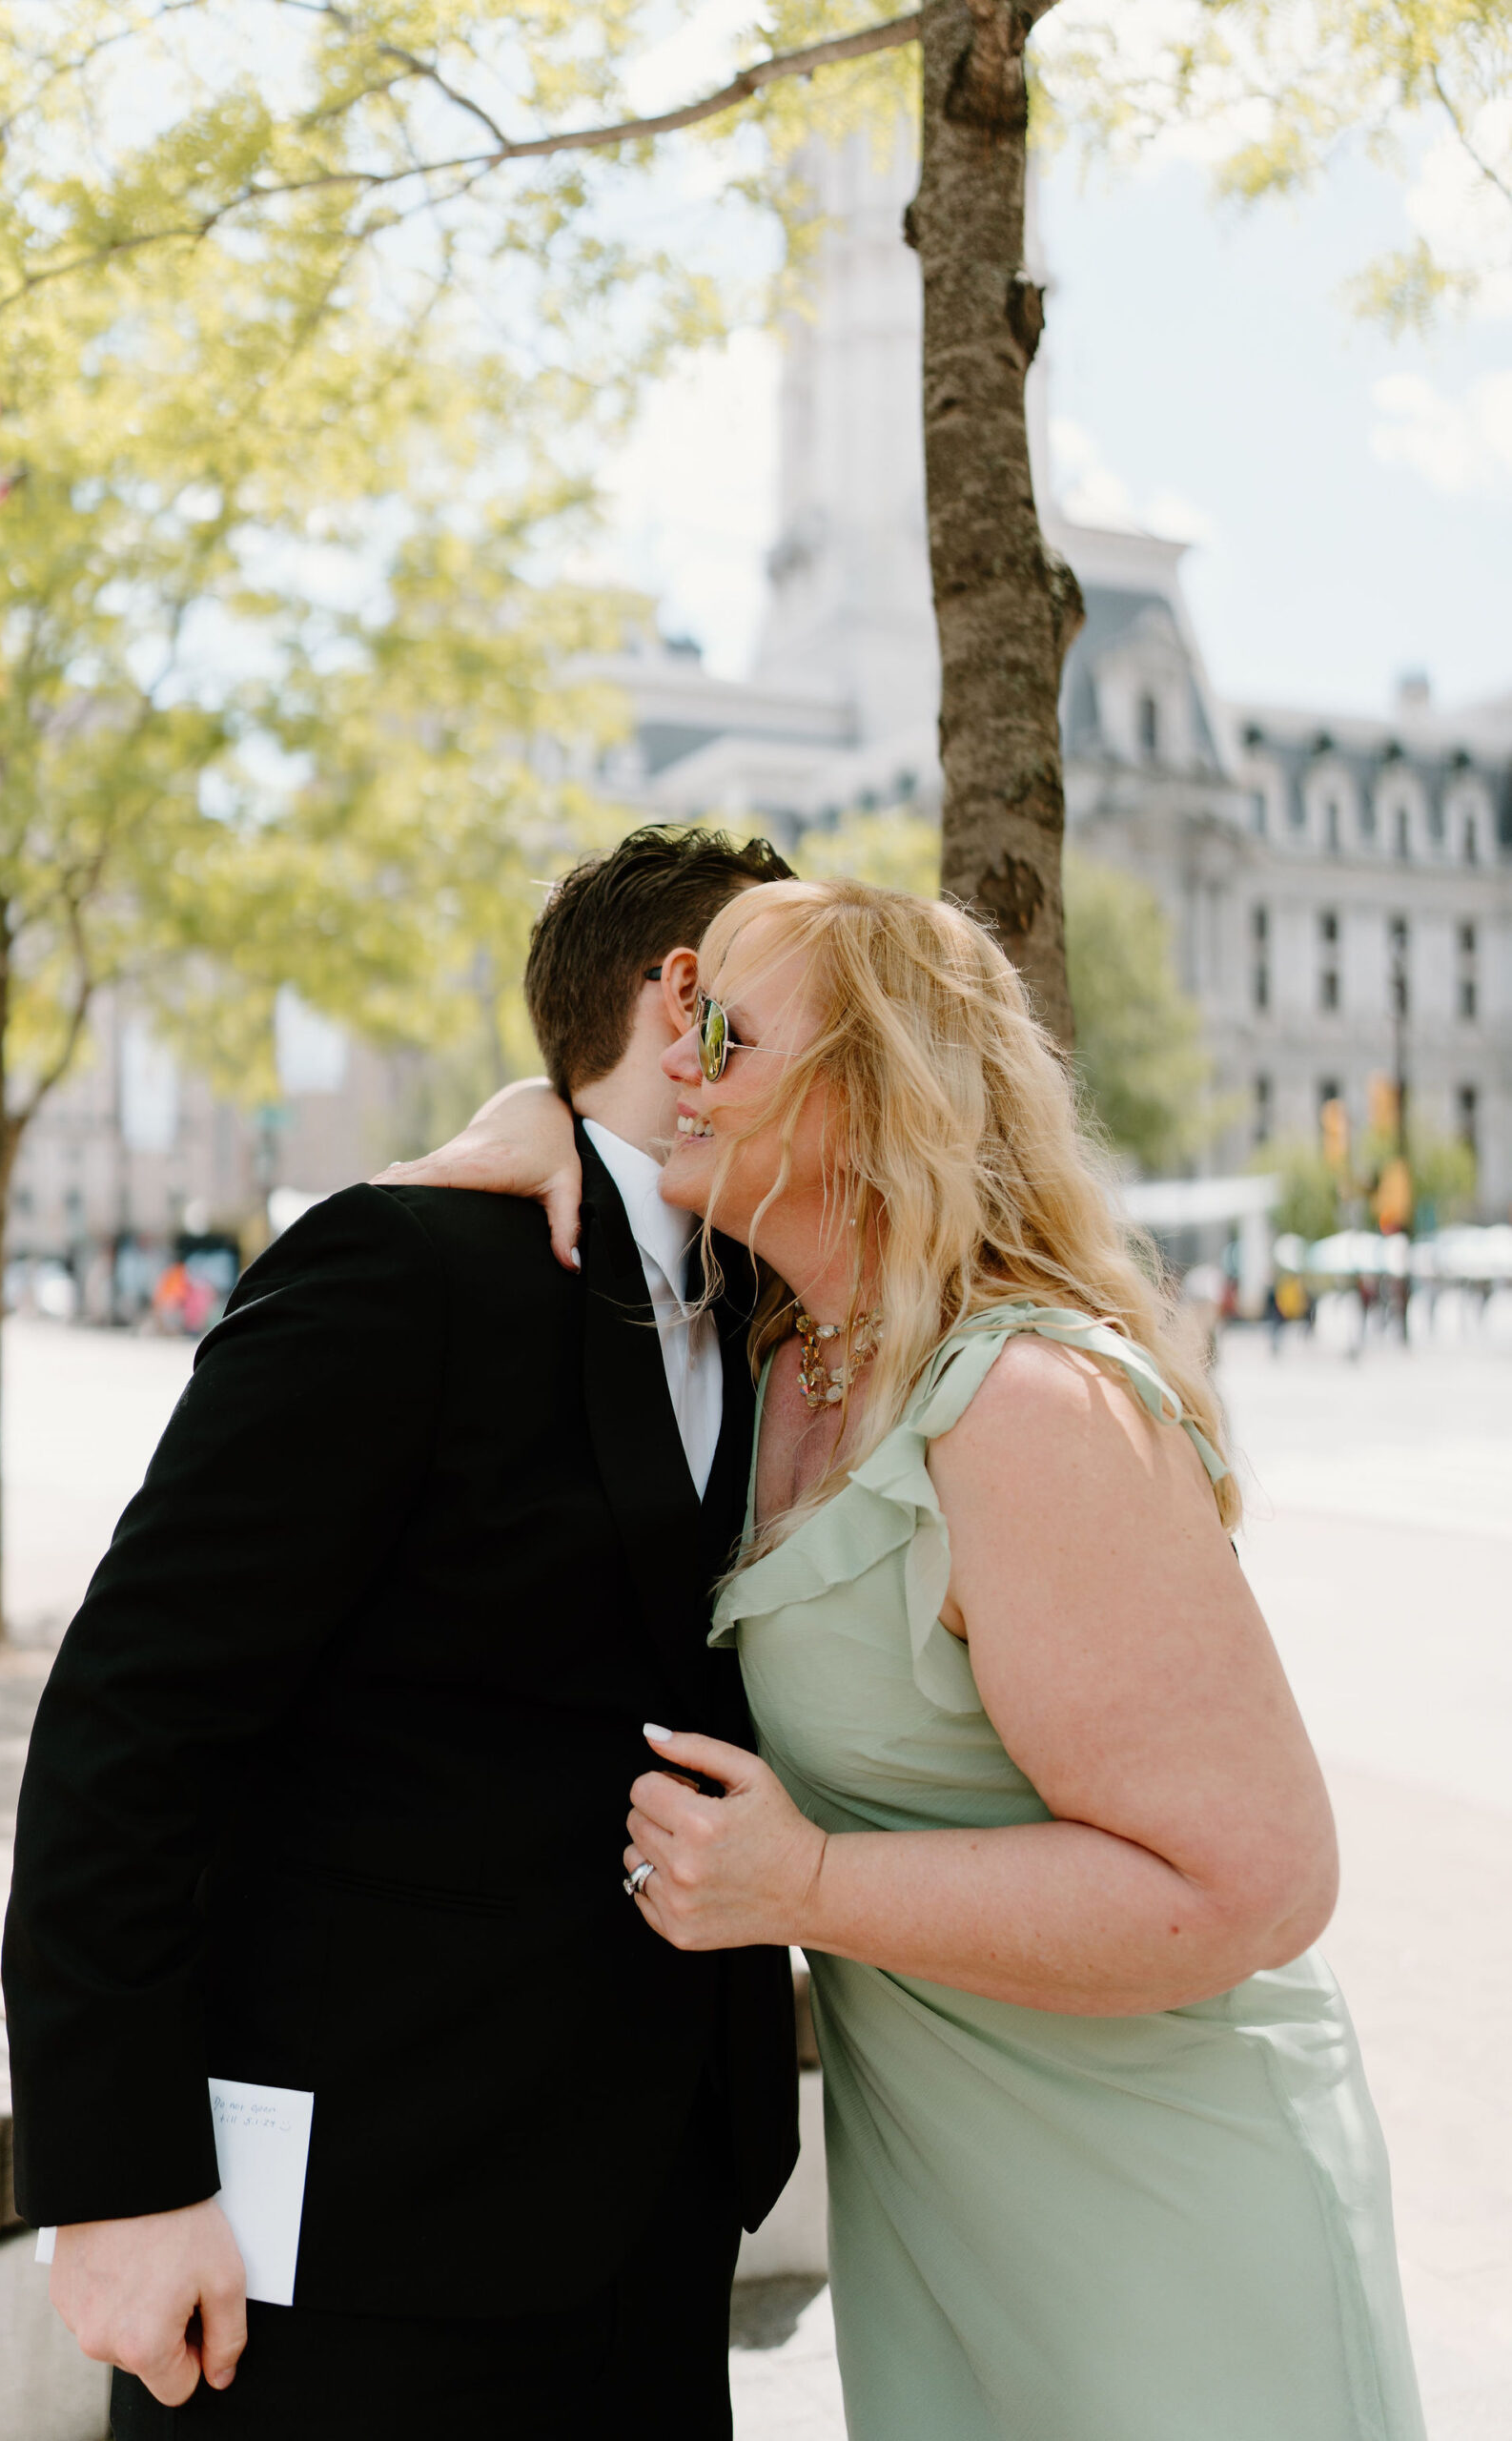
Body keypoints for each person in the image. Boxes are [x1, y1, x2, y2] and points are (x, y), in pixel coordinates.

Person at [446, 875, 1425, 2441]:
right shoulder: (781, 1358)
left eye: (724, 1031)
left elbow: (1255, 1886)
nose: (678, 1059)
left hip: (1160, 2233)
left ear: (872, 1087)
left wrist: (805, 1890)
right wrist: (534, 1120)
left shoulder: (1026, 1407)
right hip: (952, 2235)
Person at [2, 825, 801, 2441]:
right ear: (687, 1004)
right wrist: (116, 2188)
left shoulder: (781, 1309)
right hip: (358, 2258)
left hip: (653, 2230)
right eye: (814, 997)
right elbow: (129, 1723)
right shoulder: (404, 1262)